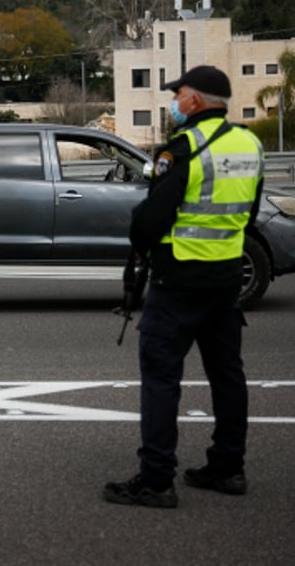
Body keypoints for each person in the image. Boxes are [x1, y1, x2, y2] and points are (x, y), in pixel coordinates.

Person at [104, 66, 263, 508]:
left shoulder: (186, 148)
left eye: (180, 94)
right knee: (227, 375)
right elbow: (247, 215)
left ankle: (156, 480)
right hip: (227, 277)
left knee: (160, 377)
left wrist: (142, 241)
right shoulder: (250, 144)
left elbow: (152, 221)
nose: (176, 101)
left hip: (179, 280)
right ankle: (228, 468)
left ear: (197, 100)